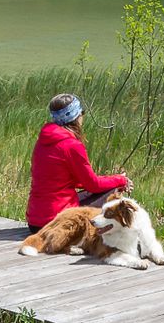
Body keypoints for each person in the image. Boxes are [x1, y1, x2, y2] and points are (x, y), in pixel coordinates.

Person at [27, 92, 131, 231]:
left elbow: (70, 180)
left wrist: (109, 178)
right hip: (58, 222)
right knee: (114, 189)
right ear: (76, 116)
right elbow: (93, 185)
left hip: (35, 222)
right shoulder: (72, 145)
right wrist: (121, 180)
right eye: (82, 112)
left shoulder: (42, 141)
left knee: (106, 186)